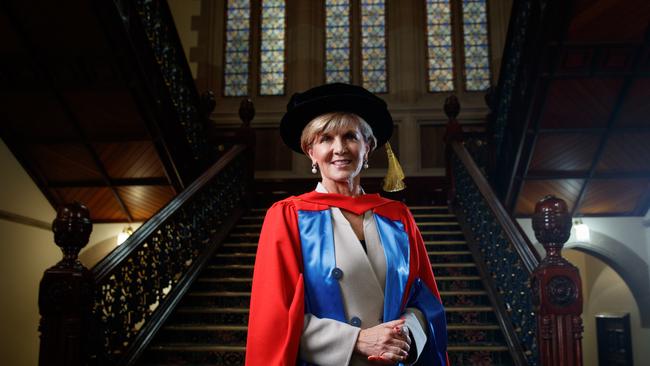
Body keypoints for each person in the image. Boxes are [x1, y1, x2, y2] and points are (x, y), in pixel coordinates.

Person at [245, 83, 448, 366]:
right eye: (325, 139)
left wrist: (404, 334)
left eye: (350, 136)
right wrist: (356, 340)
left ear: (368, 147)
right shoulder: (288, 216)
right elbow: (274, 317)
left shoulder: (397, 218)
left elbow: (424, 299)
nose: (339, 149)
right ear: (310, 151)